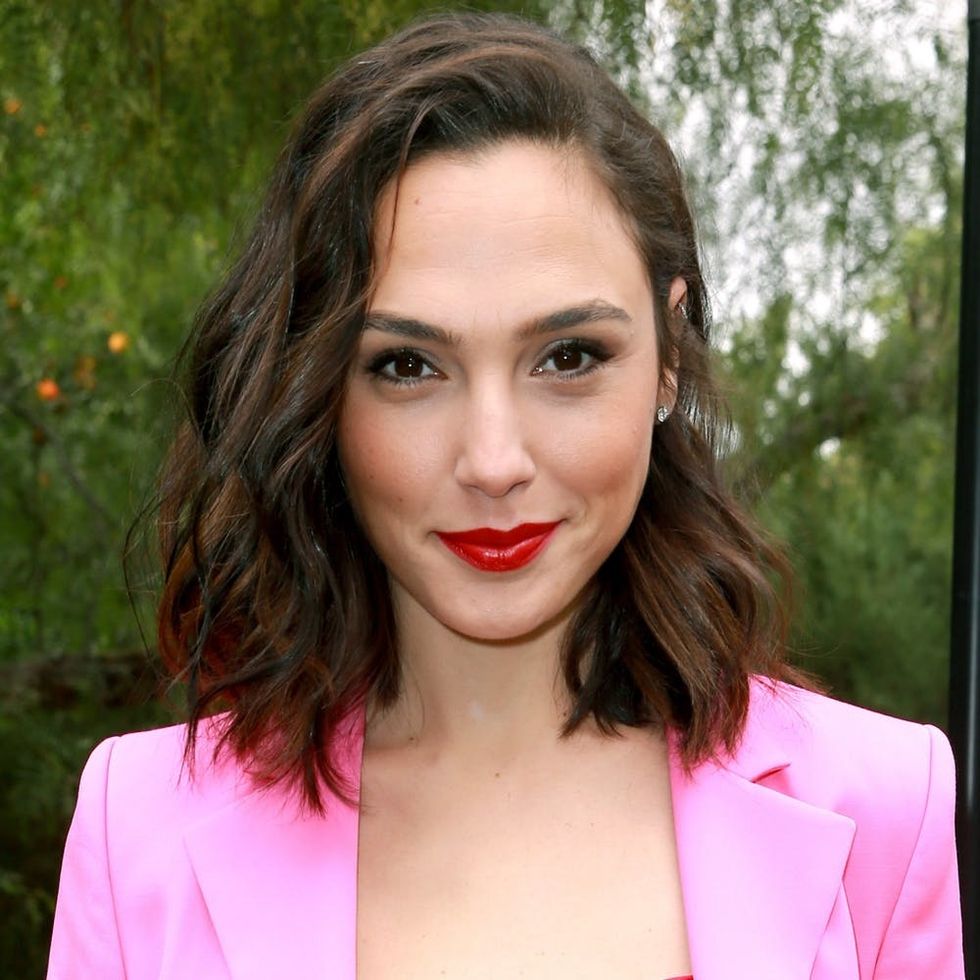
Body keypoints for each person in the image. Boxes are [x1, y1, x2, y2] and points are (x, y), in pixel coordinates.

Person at [47, 12, 964, 980]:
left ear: (667, 352)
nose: (493, 461)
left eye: (568, 356)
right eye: (407, 365)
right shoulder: (136, 828)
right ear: (316, 389)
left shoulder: (882, 808)